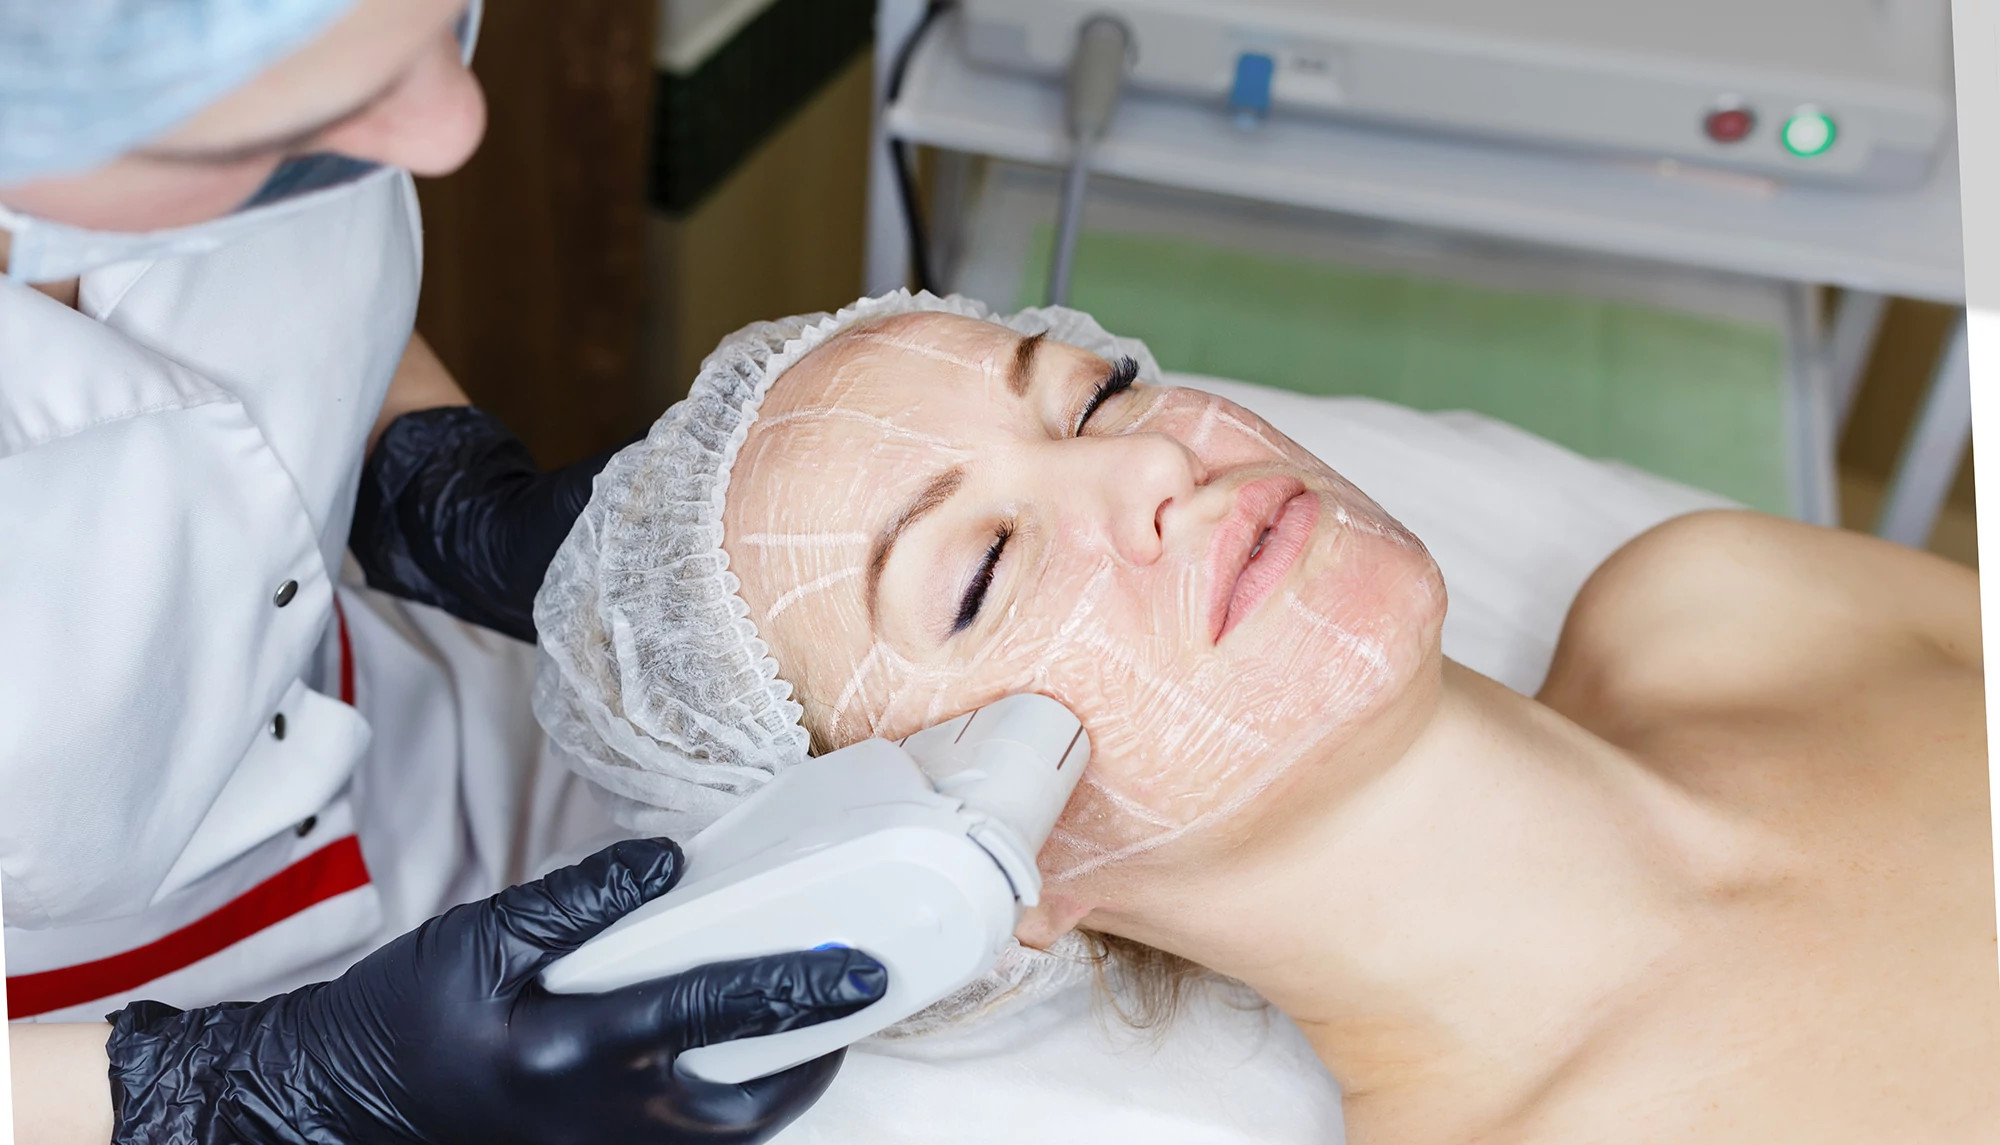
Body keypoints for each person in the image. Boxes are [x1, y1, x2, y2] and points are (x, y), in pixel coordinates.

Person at [534, 291, 2000, 1144]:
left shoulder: (1732, 601)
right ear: (958, 855)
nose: (1148, 466)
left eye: (1095, 395)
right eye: (978, 572)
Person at [2, 2, 884, 1142]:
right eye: (307, 106)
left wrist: (427, 468)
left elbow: (269, 300)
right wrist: (220, 1097)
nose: (449, 128)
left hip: (409, 751)